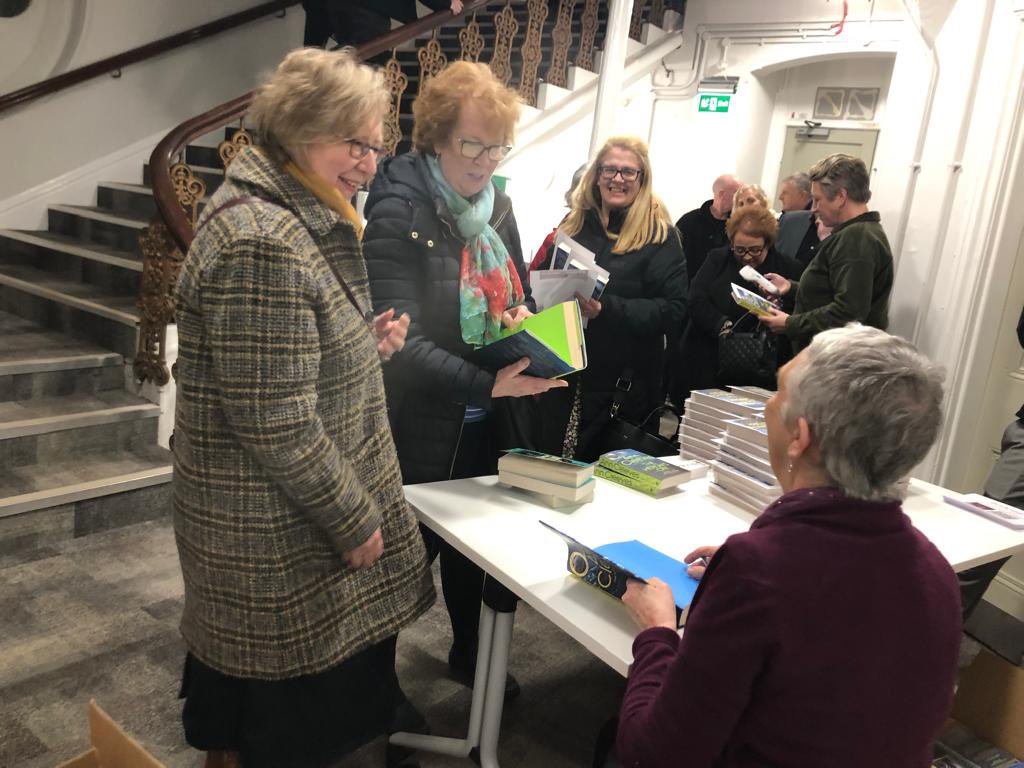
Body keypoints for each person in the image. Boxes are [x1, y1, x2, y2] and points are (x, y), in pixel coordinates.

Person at [172, 48, 434, 768]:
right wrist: (353, 516)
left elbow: (280, 366)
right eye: (354, 142)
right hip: (280, 538)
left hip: (277, 527)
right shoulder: (263, 238)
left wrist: (360, 344)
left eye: (378, 144)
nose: (370, 162)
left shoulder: (297, 212)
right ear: (297, 131)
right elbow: (273, 417)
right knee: (293, 732)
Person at [615, 324, 962, 767]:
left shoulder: (757, 572)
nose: (766, 405)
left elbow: (651, 755)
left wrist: (657, 633)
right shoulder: (936, 571)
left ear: (799, 437)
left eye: (777, 391)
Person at [362, 60, 565, 699]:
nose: (484, 161)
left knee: (474, 555)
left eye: (496, 145)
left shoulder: (496, 203)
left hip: (488, 417)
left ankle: (472, 656)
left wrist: (528, 321)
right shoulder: (401, 207)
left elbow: (517, 296)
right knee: (398, 563)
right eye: (470, 144)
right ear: (436, 139)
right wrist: (487, 386)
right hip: (418, 419)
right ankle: (372, 694)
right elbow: (397, 345)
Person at [758, 153, 894, 352]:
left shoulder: (856, 238)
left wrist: (791, 324)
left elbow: (849, 312)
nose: (813, 209)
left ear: (840, 197)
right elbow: (834, 292)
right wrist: (792, 287)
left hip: (837, 362)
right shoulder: (857, 234)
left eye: (817, 200)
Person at [679, 206, 801, 392]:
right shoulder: (717, 259)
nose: (747, 257)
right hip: (710, 361)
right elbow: (696, 299)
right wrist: (721, 324)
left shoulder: (787, 269)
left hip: (760, 368)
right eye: (740, 250)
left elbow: (796, 314)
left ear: (767, 244)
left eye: (755, 250)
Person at [675, 174, 741, 282]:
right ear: (722, 194)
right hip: (689, 290)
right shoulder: (688, 222)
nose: (740, 199)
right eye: (737, 194)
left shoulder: (738, 226)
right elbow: (674, 259)